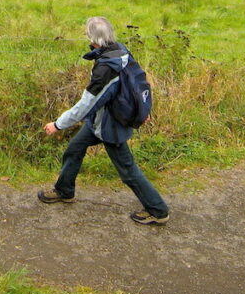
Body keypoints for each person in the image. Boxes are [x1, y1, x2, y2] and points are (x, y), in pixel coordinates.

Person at [37, 16, 170, 226]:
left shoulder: (106, 69)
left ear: (92, 38)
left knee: (127, 171)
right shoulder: (120, 51)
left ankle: (158, 210)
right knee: (74, 148)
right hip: (98, 122)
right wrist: (144, 110)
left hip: (111, 126)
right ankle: (64, 190)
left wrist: (58, 124)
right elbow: (139, 83)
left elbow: (86, 105)